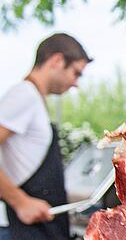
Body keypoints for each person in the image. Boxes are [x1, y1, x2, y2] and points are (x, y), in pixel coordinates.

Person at [0, 33, 91, 240]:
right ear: (57, 60)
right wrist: (20, 202)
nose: (76, 83)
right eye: (76, 73)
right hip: (15, 230)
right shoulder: (24, 95)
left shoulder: (33, 98)